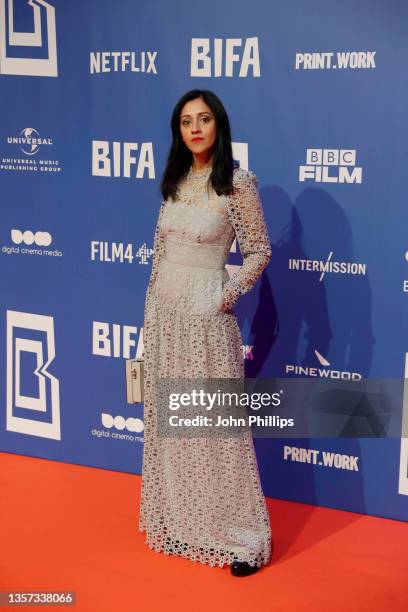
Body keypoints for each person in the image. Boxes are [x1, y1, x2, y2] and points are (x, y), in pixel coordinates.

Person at [139, 89, 272, 577]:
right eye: (186, 121)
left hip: (207, 321)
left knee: (217, 429)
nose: (195, 128)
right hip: (166, 319)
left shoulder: (237, 184)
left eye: (204, 119)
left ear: (219, 126)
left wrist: (222, 296)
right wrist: (149, 318)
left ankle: (243, 537)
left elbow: (258, 252)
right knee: (173, 425)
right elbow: (159, 254)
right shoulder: (174, 182)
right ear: (178, 130)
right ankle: (183, 522)